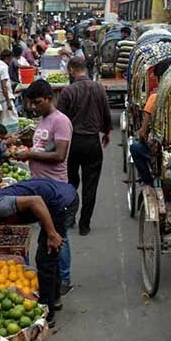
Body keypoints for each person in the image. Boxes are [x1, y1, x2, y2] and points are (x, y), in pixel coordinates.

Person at [0, 179, 76, 326]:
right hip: (56, 201)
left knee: (45, 259)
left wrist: (51, 233)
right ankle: (54, 299)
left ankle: (46, 313)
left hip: (62, 204)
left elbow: (36, 201)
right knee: (49, 255)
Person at [14, 79, 74, 294]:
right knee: (50, 233)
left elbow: (59, 155)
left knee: (59, 235)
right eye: (31, 103)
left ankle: (64, 279)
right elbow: (42, 147)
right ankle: (57, 278)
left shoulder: (61, 121)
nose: (33, 107)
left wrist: (30, 154)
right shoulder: (43, 120)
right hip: (41, 187)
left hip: (55, 188)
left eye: (37, 102)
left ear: (49, 98)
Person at [56, 56, 111, 235]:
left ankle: (69, 217)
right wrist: (107, 132)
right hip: (92, 142)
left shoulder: (68, 91)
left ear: (71, 70)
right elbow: (106, 113)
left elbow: (59, 119)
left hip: (72, 143)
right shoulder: (98, 88)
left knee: (70, 182)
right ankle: (84, 224)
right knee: (90, 185)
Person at [129, 50, 171, 185]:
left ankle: (148, 180)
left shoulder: (155, 98)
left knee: (135, 148)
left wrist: (143, 136)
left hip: (163, 150)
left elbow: (143, 131)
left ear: (161, 78)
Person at [0, 49, 18, 132]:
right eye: (10, 59)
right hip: (3, 98)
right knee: (11, 118)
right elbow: (4, 86)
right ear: (7, 58)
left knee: (1, 119)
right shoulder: (4, 68)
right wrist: (8, 102)